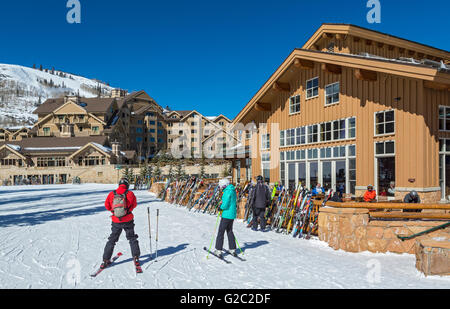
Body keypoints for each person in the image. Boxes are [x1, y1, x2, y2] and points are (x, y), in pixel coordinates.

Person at [101, 178, 141, 269]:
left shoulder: (112, 194)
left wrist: (114, 212)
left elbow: (107, 205)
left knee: (112, 240)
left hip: (116, 221)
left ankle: (105, 260)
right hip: (128, 220)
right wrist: (127, 211)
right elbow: (134, 204)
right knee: (132, 238)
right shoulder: (130, 194)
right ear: (127, 185)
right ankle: (136, 257)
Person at [214, 178, 238, 257]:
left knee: (221, 231)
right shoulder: (232, 190)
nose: (221, 188)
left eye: (221, 186)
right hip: (231, 214)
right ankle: (232, 248)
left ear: (224, 185)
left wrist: (221, 207)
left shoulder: (227, 192)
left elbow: (226, 203)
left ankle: (218, 249)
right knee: (229, 230)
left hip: (226, 214)